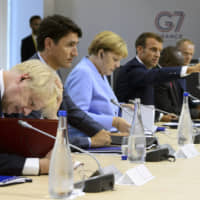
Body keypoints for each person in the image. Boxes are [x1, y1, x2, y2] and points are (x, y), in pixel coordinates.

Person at [28, 15, 125, 148]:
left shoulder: (53, 71)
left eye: (76, 45)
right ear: (49, 44)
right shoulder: (31, 75)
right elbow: (36, 134)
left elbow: (73, 110)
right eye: (70, 45)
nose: (75, 53)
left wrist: (102, 133)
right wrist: (90, 141)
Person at [115, 32, 200, 121]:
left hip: (143, 124)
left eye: (159, 51)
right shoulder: (133, 69)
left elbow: (145, 103)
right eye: (153, 49)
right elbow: (155, 75)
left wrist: (160, 116)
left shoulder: (147, 70)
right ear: (140, 49)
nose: (158, 55)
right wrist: (190, 69)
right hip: (126, 126)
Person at [0, 59, 63, 175]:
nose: (26, 112)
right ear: (24, 78)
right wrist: (41, 166)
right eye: (31, 102)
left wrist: (52, 115)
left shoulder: (7, 102)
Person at [65, 30, 131, 138]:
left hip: (103, 137)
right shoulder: (83, 73)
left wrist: (122, 107)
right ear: (101, 54)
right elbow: (77, 116)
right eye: (115, 59)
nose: (118, 65)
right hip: (86, 141)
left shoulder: (100, 71)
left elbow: (100, 104)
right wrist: (114, 121)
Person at [154, 46, 200, 119]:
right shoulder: (158, 78)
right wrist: (197, 113)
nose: (180, 69)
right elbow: (168, 110)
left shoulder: (173, 74)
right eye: (178, 66)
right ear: (167, 62)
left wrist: (196, 106)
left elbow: (183, 99)